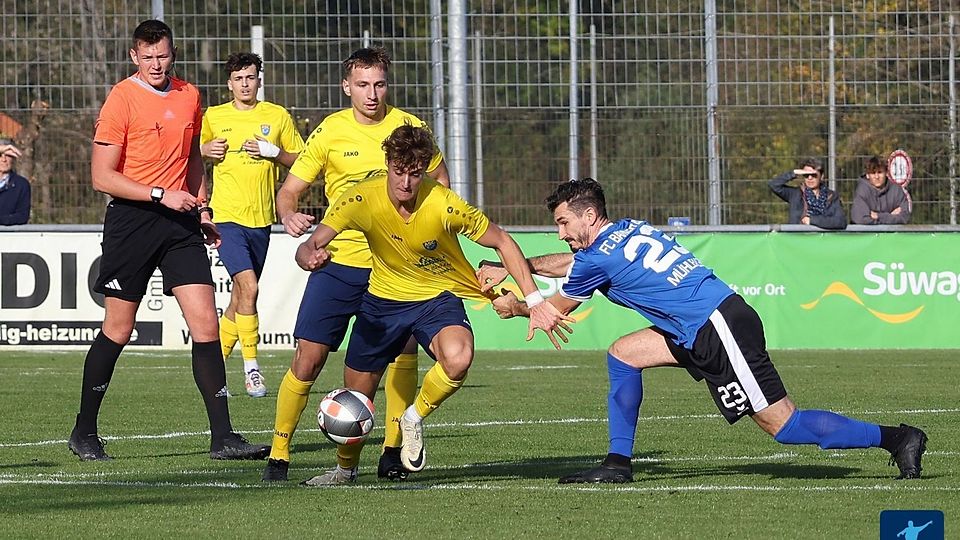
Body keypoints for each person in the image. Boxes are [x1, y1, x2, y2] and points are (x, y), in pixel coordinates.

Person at [479, 178, 927, 483]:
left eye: (563, 222)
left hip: (716, 326)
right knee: (623, 354)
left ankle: (897, 438)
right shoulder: (626, 229)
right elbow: (570, 263)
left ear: (589, 215)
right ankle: (618, 463)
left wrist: (516, 305)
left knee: (785, 426)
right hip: (701, 324)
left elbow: (552, 310)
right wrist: (510, 265)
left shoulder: (599, 256)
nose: (560, 233)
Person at [290, 125, 571, 485]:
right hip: (382, 303)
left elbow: (501, 240)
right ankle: (345, 470)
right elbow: (309, 245)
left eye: (415, 173)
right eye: (399, 171)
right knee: (356, 400)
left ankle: (412, 418)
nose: (406, 183)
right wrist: (308, 257)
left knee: (458, 357)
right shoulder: (359, 199)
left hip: (436, 299)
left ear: (424, 171)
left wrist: (534, 299)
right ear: (388, 163)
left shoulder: (443, 203)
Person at [68, 20, 269, 461]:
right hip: (133, 221)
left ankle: (223, 437)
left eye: (163, 56)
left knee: (206, 324)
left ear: (172, 54)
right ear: (134, 58)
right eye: (148, 57)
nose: (157, 64)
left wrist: (202, 208)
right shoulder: (121, 99)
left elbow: (192, 159)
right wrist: (159, 193)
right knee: (118, 329)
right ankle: (84, 431)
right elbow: (102, 176)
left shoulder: (189, 95)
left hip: (180, 224)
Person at [262, 47, 452, 482]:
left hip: (396, 267)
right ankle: (279, 453)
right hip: (338, 261)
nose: (372, 94)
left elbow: (442, 183)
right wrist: (289, 213)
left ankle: (392, 450)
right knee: (308, 358)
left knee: (401, 355)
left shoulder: (410, 128)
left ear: (389, 84)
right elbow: (289, 190)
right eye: (362, 85)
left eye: (379, 84)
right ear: (346, 86)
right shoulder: (330, 131)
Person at [200, 52, 305, 397]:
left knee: (239, 297)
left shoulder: (276, 116)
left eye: (250, 77)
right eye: (238, 78)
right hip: (225, 218)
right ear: (229, 83)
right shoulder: (214, 116)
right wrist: (205, 150)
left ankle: (213, 370)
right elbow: (190, 155)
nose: (245, 83)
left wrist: (273, 151)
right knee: (250, 287)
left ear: (259, 80)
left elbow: (302, 161)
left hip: (261, 222)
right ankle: (252, 368)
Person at [768, 158, 847, 229]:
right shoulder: (795, 194)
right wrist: (794, 173)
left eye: (813, 175)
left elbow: (840, 222)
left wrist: (812, 220)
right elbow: (774, 185)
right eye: (806, 175)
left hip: (823, 240)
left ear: (821, 176)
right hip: (799, 240)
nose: (810, 178)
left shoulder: (831, 196)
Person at [851, 155, 911, 225]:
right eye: (873, 173)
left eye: (880, 172)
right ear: (867, 175)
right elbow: (860, 219)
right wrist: (890, 216)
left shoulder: (897, 190)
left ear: (886, 173)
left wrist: (878, 216)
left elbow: (904, 218)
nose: (877, 177)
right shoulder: (862, 191)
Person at [0, 140, 30, 225]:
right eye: (0, 155)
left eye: (8, 155)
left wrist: (3, 221)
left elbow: (22, 216)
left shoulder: (21, 185)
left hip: (9, 235)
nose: (4, 160)